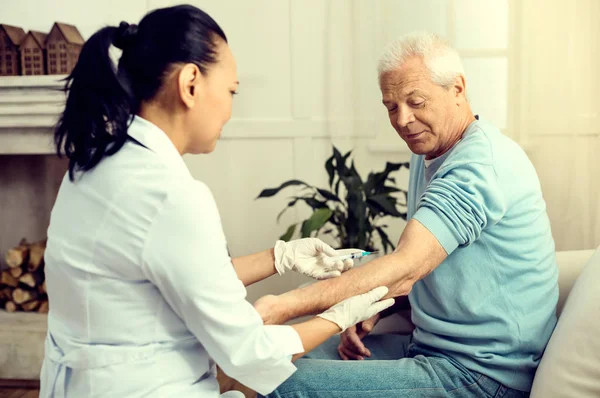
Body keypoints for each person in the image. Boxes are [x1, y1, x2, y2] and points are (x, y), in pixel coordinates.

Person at [39, 5, 394, 397]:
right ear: (190, 83)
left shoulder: (92, 165)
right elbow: (247, 352)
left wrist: (281, 257)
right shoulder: (170, 195)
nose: (230, 108)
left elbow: (174, 275)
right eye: (230, 91)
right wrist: (338, 316)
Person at [259, 31, 558, 397]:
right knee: (270, 366)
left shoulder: (479, 166)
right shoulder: (429, 151)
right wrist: (371, 308)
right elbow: (430, 268)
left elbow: (408, 265)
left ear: (458, 90)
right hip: (429, 349)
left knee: (282, 386)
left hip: (481, 374)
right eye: (390, 107)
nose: (403, 120)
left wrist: (283, 305)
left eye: (416, 102)